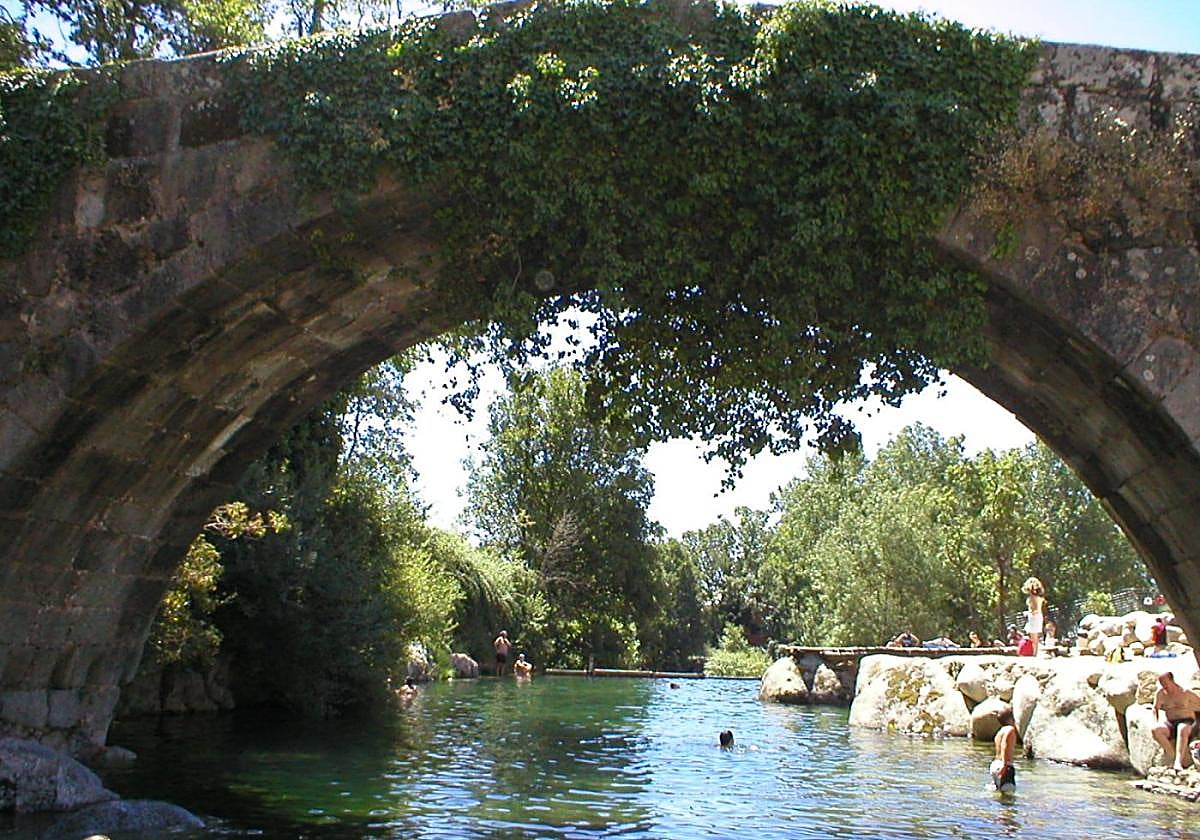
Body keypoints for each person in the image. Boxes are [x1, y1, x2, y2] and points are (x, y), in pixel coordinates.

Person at [1151, 671, 1200, 770]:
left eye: (1165, 683)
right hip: (1171, 722)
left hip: (1187, 721)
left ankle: (1178, 762)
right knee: (1155, 730)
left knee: (1182, 728)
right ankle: (1172, 755)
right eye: (1162, 683)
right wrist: (1155, 721)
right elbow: (1155, 708)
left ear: (1172, 680)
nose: (1164, 686)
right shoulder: (1161, 694)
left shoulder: (1186, 692)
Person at [990, 707, 1018, 793]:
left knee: (1000, 793)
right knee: (1009, 799)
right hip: (1004, 765)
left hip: (995, 764)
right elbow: (1004, 746)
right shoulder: (1010, 729)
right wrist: (1005, 766)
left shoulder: (999, 732)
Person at [1021, 577, 1046, 656]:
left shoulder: (1032, 598)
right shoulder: (1039, 598)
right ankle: (1035, 652)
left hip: (1034, 618)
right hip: (1039, 617)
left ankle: (1035, 653)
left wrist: (1027, 613)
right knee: (1035, 637)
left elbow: (1034, 609)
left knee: (1034, 637)